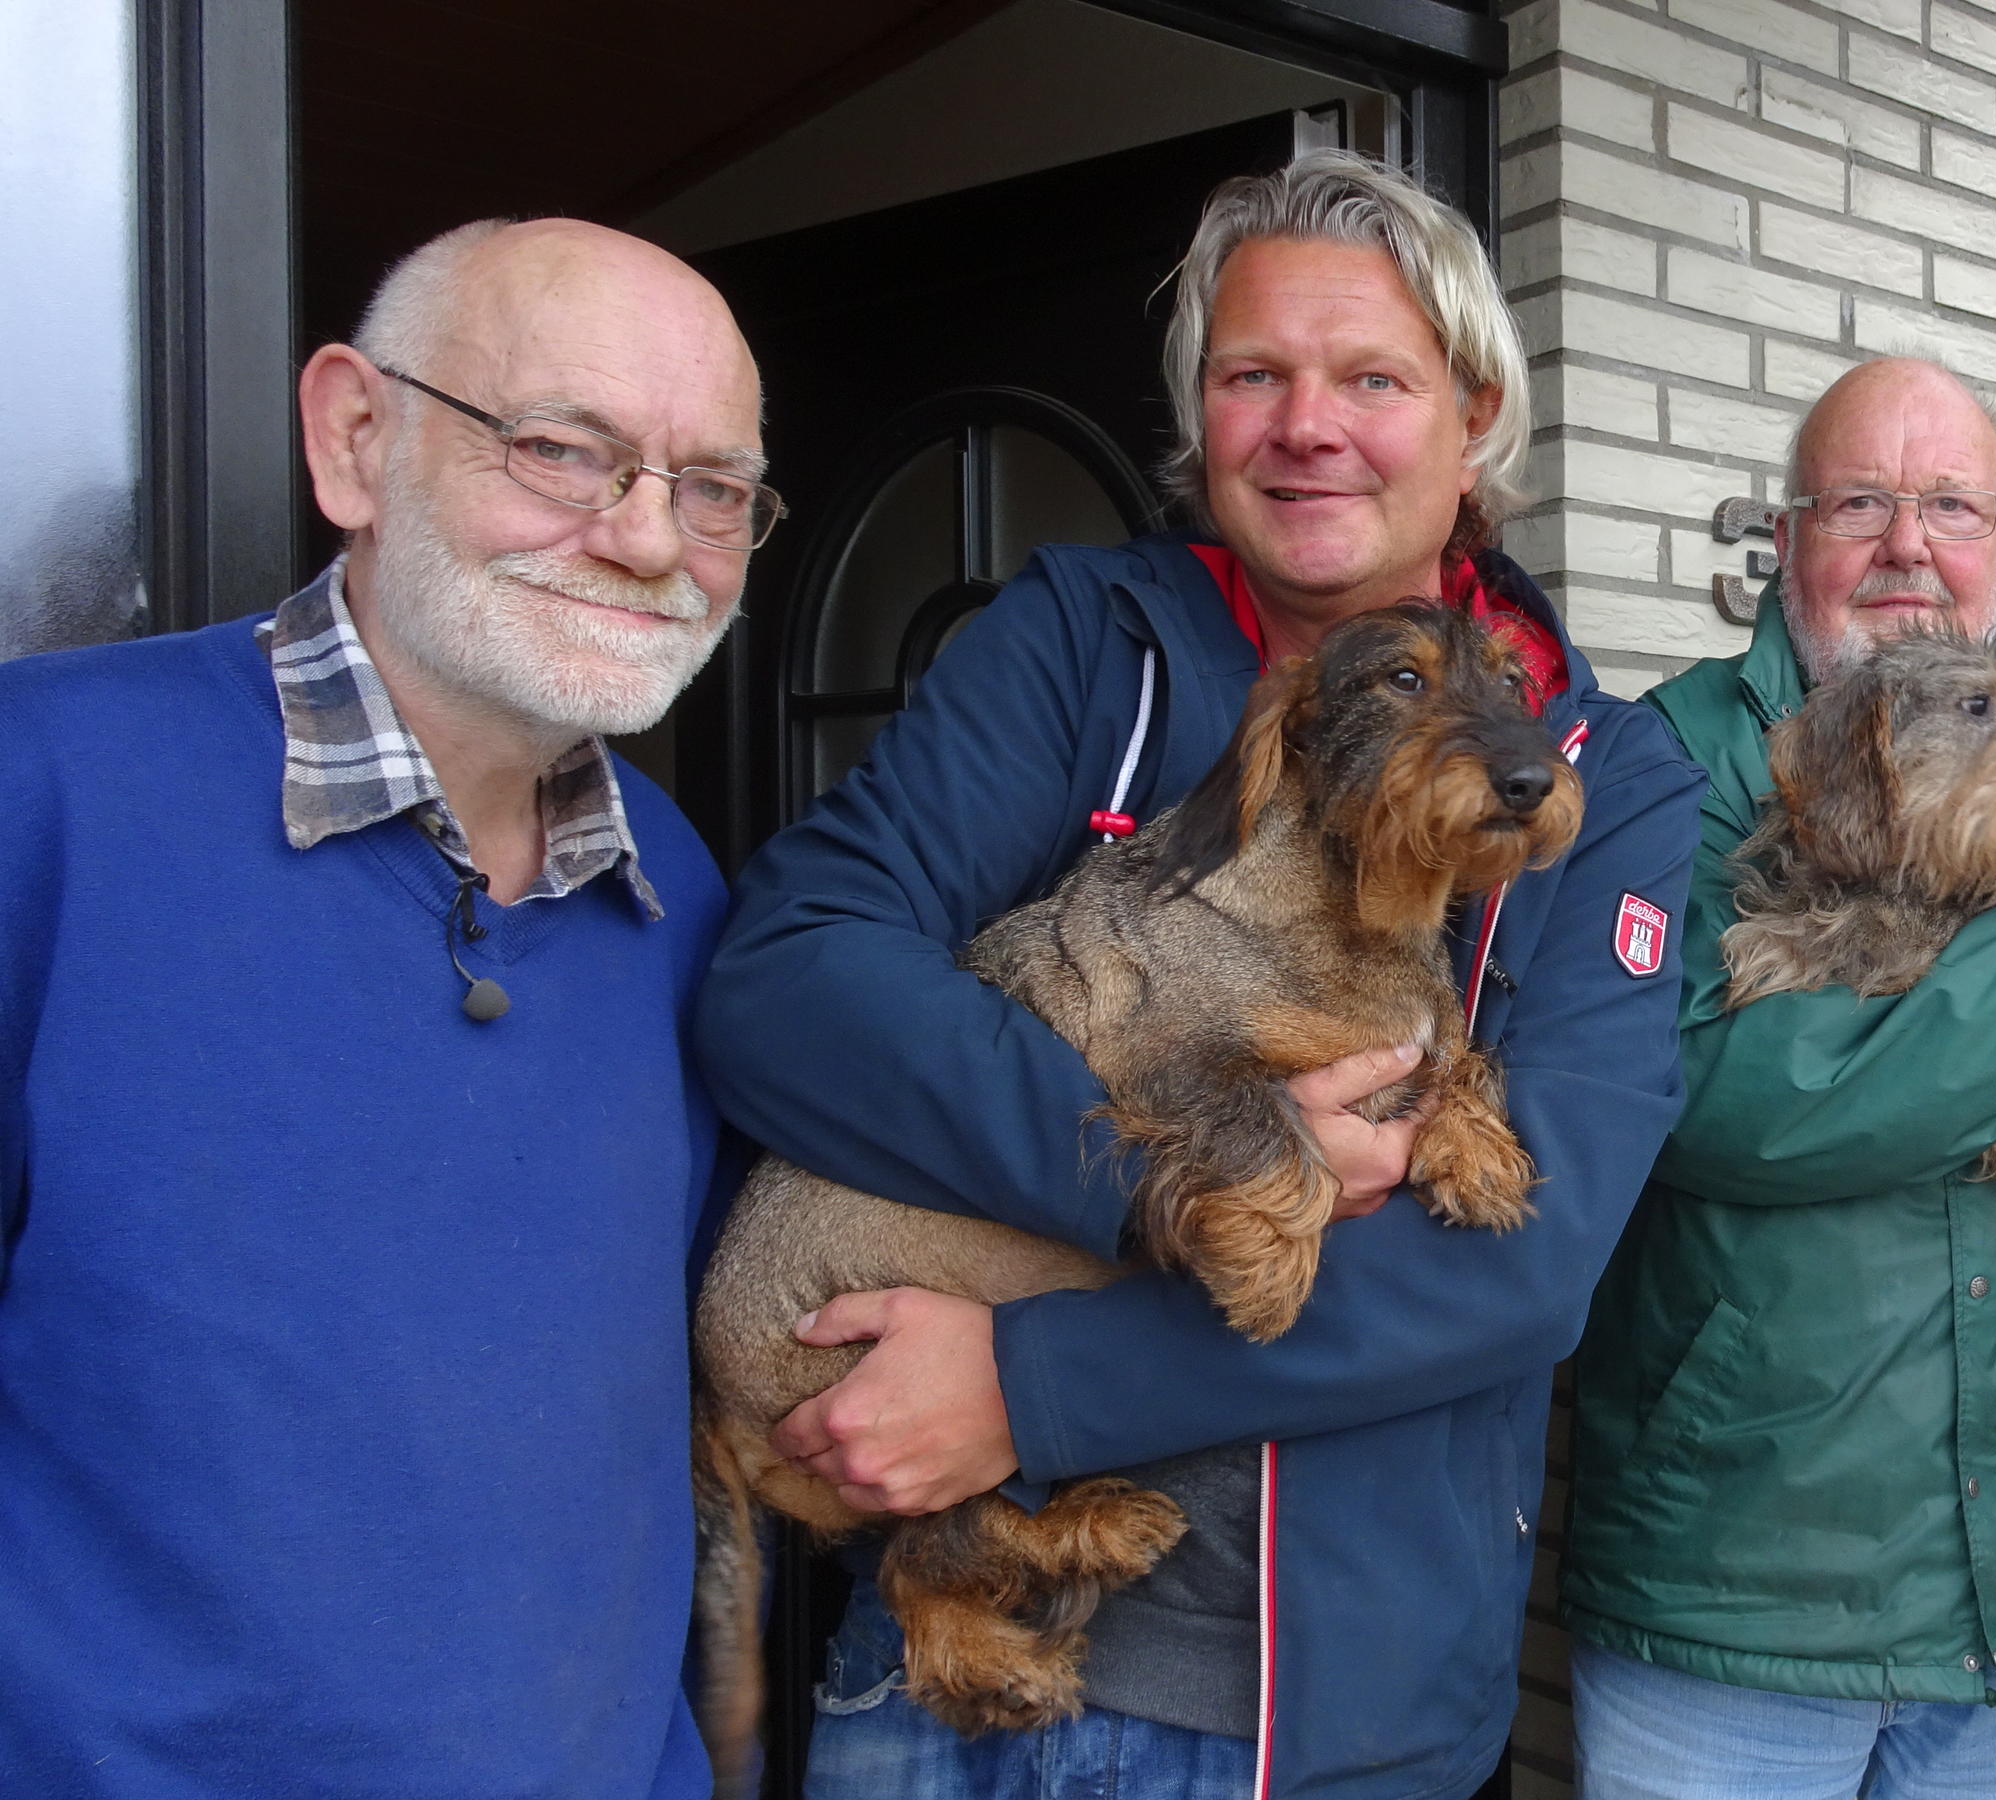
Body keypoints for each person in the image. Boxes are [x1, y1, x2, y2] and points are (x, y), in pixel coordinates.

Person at [687, 151, 1702, 1800]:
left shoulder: (1603, 770)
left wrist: (1032, 1390)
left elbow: (1527, 1264)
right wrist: (1159, 1183)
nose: (1308, 426)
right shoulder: (1084, 642)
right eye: (1255, 377)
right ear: (1201, 419)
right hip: (949, 1669)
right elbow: (789, 980)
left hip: (1337, 1722)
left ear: (1477, 416)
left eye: (1372, 377)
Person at [0, 218, 771, 1795]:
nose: (648, 540)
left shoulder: (678, 891)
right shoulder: (43, 794)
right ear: (356, 438)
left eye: (713, 490)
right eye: (566, 450)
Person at [1558, 355, 1996, 1798]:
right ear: (1786, 540)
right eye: (1861, 502)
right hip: (1733, 1612)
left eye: (1951, 505)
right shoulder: (1668, 762)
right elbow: (1719, 1090)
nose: (1907, 544)